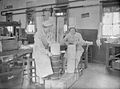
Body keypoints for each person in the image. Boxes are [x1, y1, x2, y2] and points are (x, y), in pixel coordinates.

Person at [32, 17, 53, 85]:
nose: (49, 30)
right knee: (45, 60)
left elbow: (49, 42)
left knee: (48, 59)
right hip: (38, 51)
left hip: (44, 50)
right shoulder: (38, 34)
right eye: (48, 28)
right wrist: (47, 52)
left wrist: (52, 43)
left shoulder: (48, 33)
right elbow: (40, 46)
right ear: (44, 27)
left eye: (50, 28)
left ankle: (45, 76)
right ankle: (42, 78)